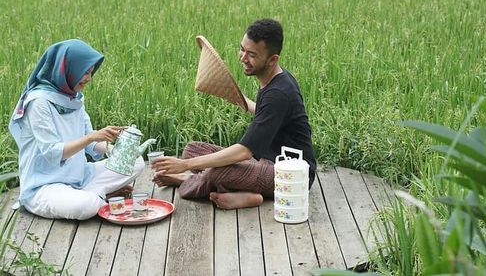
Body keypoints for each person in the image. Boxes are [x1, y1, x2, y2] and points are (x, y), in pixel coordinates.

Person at [152, 19, 316, 209]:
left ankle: (241, 193)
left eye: (252, 54)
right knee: (192, 149)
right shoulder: (275, 80)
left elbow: (243, 151)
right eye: (242, 49)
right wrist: (239, 99)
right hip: (260, 162)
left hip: (290, 174)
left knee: (215, 172)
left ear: (272, 59)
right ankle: (202, 180)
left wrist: (185, 165)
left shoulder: (279, 94)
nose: (243, 58)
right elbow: (266, 114)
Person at [8, 39, 145, 220]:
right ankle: (98, 197)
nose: (89, 78)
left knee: (136, 161)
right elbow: (53, 152)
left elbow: (91, 144)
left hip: (80, 176)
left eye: (90, 72)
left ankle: (94, 195)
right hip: (45, 186)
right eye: (84, 72)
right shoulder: (38, 102)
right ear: (67, 69)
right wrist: (91, 138)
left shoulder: (74, 98)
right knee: (84, 206)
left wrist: (117, 150)